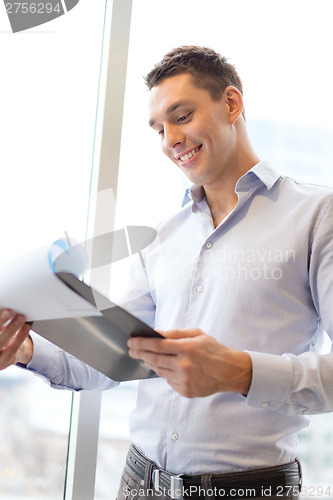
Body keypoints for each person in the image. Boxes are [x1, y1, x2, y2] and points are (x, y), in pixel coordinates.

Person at [1, 45, 333, 499]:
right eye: (158, 128)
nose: (169, 138)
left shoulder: (317, 216)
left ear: (231, 104)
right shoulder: (162, 237)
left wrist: (239, 371)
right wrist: (24, 349)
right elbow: (114, 362)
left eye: (181, 115)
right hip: (139, 482)